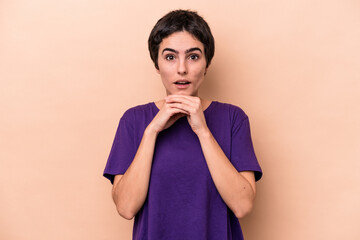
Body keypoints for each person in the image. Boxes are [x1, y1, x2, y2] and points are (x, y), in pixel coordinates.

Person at [103, 9, 262, 240]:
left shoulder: (233, 119)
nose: (181, 69)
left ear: (207, 63)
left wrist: (203, 131)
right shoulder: (134, 120)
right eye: (170, 57)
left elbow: (243, 205)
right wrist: (152, 131)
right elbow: (126, 208)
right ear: (156, 64)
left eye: (193, 56)